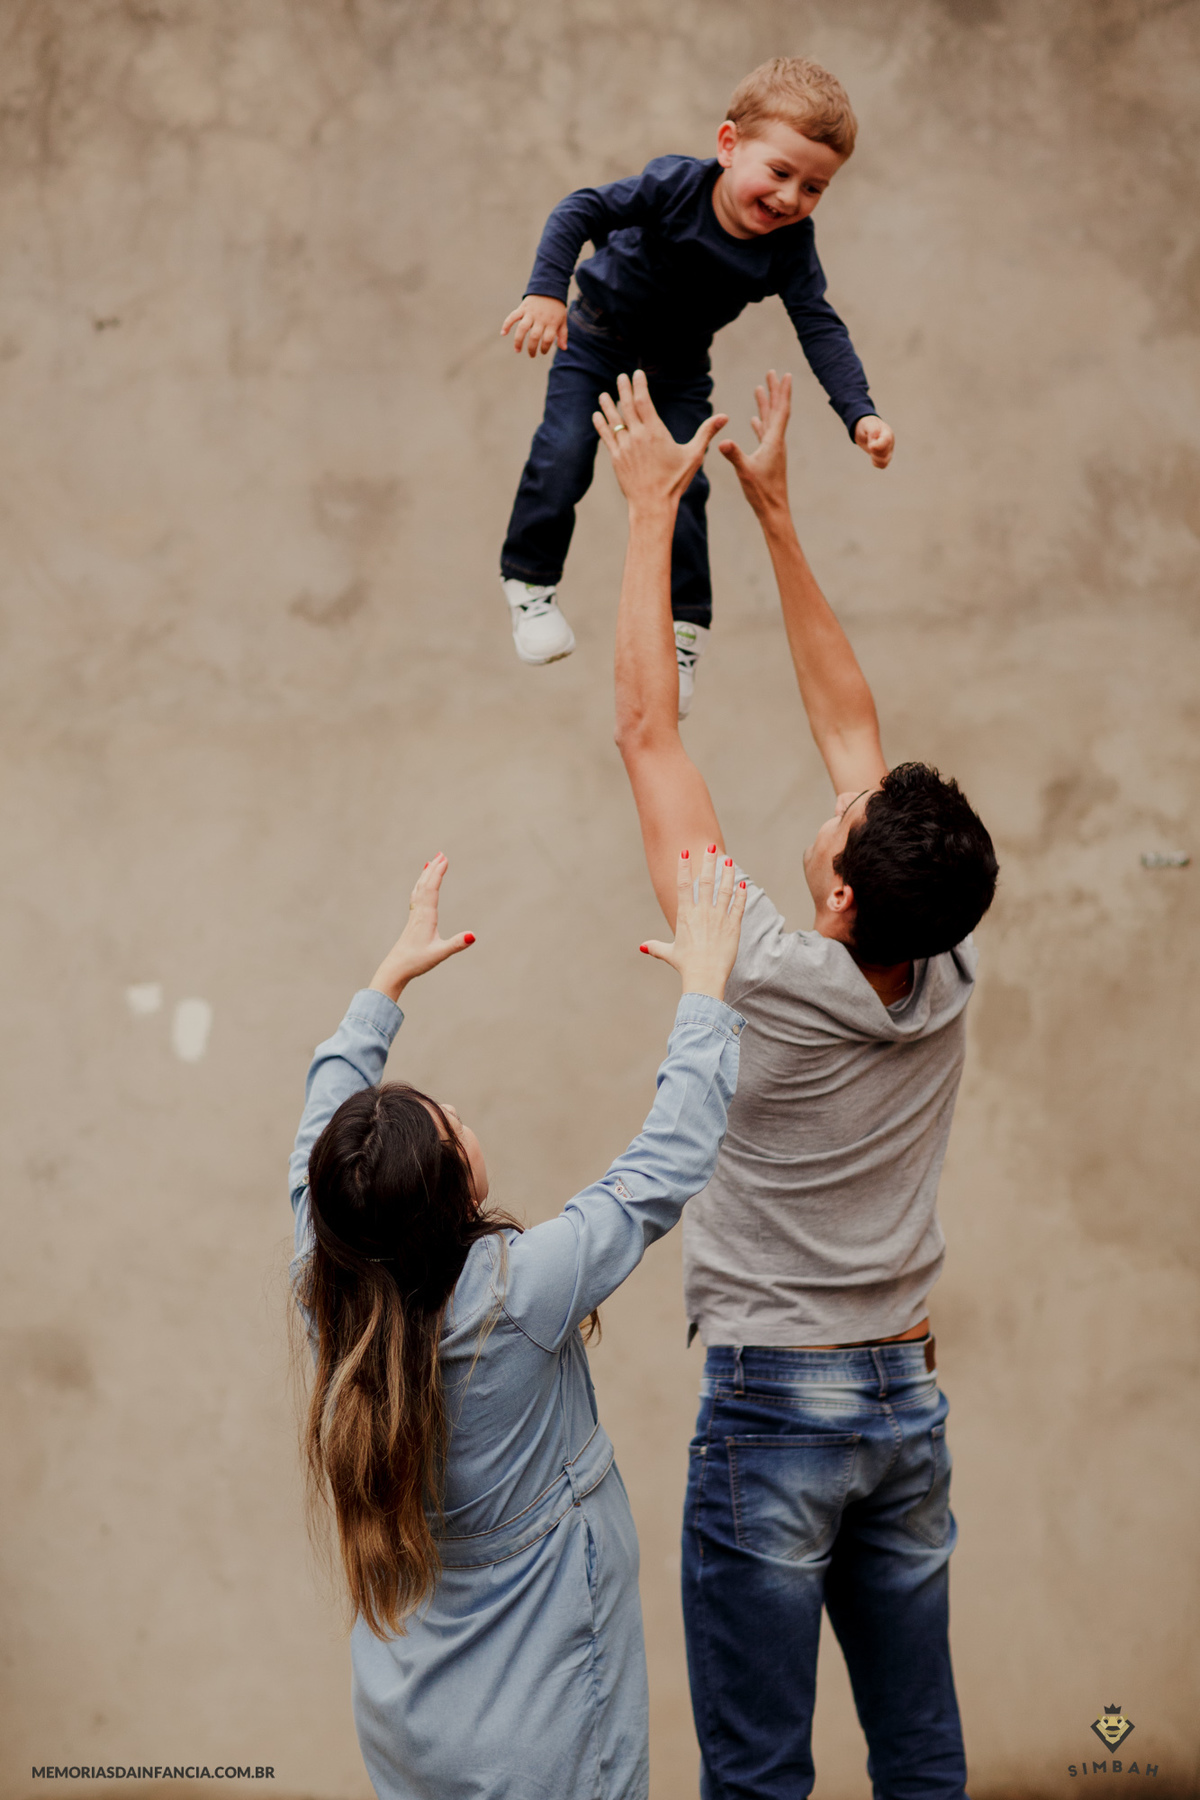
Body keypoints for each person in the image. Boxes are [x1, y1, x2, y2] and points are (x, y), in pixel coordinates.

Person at [595, 369, 998, 1799]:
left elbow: (649, 737)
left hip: (776, 1405)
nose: (841, 796)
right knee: (923, 1754)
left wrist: (651, 514)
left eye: (842, 823)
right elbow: (849, 727)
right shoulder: (944, 959)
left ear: (838, 899)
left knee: (760, 1774)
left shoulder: (758, 965)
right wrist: (770, 514)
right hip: (902, 1397)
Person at [287, 847, 748, 1800]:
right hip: (543, 1732)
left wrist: (384, 986)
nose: (458, 1112)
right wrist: (705, 992)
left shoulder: (328, 1282)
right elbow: (660, 1169)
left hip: (408, 1722)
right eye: (449, 1125)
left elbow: (314, 1150)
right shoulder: (514, 1294)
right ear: (454, 1190)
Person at [497, 54, 895, 715]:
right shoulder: (676, 186)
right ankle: (530, 584)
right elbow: (580, 210)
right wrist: (545, 291)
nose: (790, 198)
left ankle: (682, 639)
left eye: (814, 187)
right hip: (595, 340)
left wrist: (860, 413)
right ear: (729, 145)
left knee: (685, 487)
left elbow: (819, 324)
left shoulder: (790, 246)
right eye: (780, 172)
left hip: (677, 370)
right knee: (564, 451)